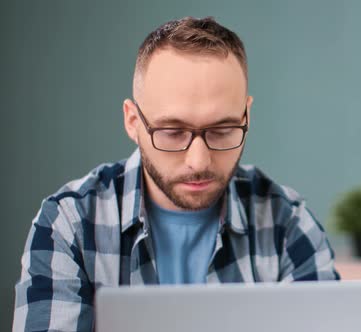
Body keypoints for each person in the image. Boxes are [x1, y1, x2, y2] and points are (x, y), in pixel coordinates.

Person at [13, 16, 339, 332]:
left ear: (246, 117)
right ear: (133, 122)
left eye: (223, 129)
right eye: (172, 131)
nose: (198, 161)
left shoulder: (288, 223)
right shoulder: (69, 224)